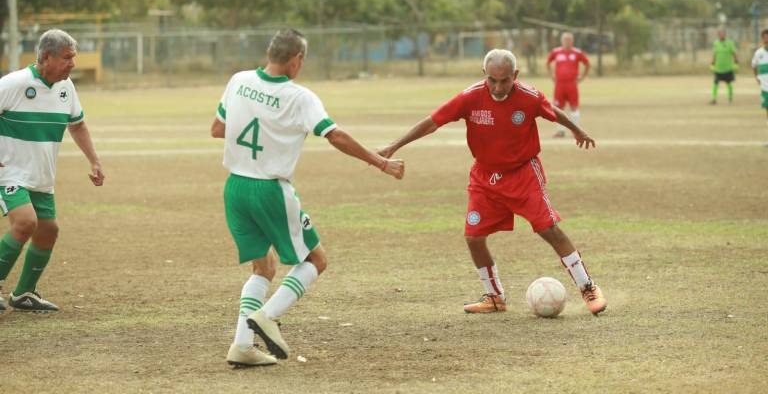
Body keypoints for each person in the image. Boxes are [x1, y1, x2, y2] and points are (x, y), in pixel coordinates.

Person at [211, 29, 404, 368]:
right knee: (316, 260)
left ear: (270, 53)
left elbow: (217, 128)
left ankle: (242, 345)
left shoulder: (238, 80)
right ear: (297, 60)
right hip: (269, 190)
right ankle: (267, 316)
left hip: (235, 188)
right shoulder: (300, 97)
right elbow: (335, 135)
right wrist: (381, 162)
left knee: (264, 266)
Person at [379, 49, 606, 316]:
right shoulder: (469, 97)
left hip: (523, 173)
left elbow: (553, 112)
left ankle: (587, 286)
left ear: (515, 76)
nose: (498, 87)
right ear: (484, 75)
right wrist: (394, 146)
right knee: (474, 237)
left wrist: (577, 130)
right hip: (485, 177)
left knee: (549, 229)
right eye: (492, 80)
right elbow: (432, 123)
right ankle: (495, 297)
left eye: (504, 80)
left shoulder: (529, 97)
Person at [0, 29, 104, 312]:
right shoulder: (14, 84)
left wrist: (94, 160)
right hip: (9, 173)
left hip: (42, 176)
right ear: (46, 56)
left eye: (74, 58)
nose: (73, 64)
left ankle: (23, 294)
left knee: (48, 231)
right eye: (67, 58)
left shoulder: (65, 88)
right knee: (25, 223)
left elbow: (78, 125)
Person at [546, 32, 590, 137]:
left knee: (574, 107)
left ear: (572, 41)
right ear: (561, 41)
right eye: (565, 40)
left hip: (572, 85)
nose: (567, 42)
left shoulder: (577, 53)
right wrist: (551, 75)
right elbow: (548, 62)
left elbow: (587, 64)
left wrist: (582, 77)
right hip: (559, 85)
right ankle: (560, 131)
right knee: (558, 107)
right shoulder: (556, 52)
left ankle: (576, 131)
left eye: (569, 40)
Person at [710, 29, 739, 105]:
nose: (722, 35)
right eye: (720, 34)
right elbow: (714, 54)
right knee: (715, 83)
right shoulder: (716, 43)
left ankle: (730, 99)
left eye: (723, 34)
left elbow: (734, 53)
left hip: (728, 68)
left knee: (729, 83)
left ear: (725, 35)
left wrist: (736, 62)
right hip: (718, 68)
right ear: (718, 35)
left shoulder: (730, 43)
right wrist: (712, 63)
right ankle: (714, 99)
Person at [750, 29, 768, 145]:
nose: (767, 40)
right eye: (765, 37)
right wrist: (757, 78)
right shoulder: (758, 53)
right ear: (762, 39)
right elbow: (754, 66)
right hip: (765, 88)